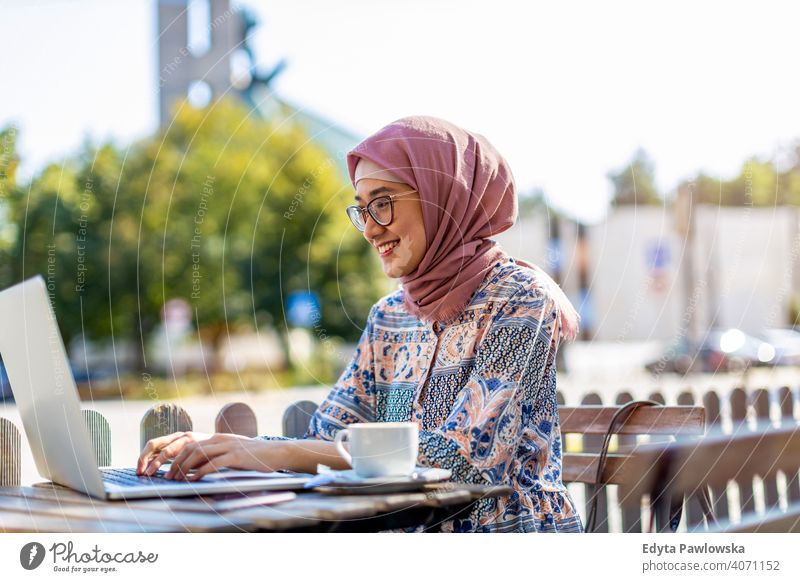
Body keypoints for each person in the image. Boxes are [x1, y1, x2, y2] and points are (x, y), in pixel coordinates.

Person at [137, 116, 583, 532]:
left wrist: (269, 452)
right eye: (361, 209)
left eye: (383, 204)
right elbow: (326, 439)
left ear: (440, 196)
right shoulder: (389, 316)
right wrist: (223, 448)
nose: (370, 230)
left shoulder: (521, 298)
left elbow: (461, 461)